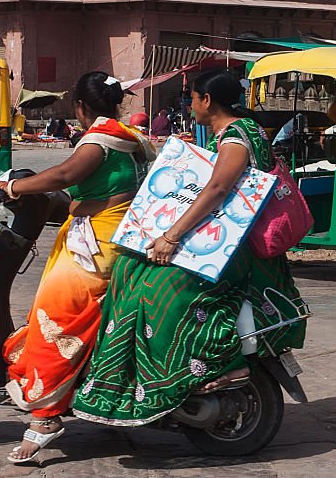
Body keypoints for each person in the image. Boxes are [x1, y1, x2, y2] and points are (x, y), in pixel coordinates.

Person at [73, 69, 306, 426]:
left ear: (207, 101)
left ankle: (218, 366)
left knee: (156, 291)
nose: (191, 105)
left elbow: (216, 189)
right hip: (223, 240)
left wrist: (172, 236)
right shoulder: (239, 130)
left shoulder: (235, 138)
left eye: (194, 99)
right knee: (128, 267)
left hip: (231, 252)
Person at [0, 72, 155, 463]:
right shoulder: (132, 137)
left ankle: (45, 417)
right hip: (122, 233)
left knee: (54, 317)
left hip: (100, 244)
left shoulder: (97, 141)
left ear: (79, 107)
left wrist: (12, 188)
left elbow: (64, 175)